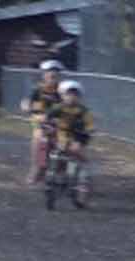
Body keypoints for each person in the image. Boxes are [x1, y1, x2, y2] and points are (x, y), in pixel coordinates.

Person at [45, 80, 98, 208]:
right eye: (68, 94)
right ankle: (54, 177)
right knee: (55, 151)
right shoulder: (58, 108)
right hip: (62, 135)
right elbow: (47, 118)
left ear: (79, 96)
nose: (71, 97)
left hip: (78, 136)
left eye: (75, 94)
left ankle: (83, 184)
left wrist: (90, 129)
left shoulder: (83, 111)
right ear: (62, 95)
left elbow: (90, 124)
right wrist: (46, 125)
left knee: (79, 156)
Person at [19, 60, 65, 184]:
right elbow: (27, 102)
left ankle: (62, 170)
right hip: (41, 122)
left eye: (55, 73)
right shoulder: (38, 90)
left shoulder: (62, 91)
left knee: (63, 141)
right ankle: (37, 168)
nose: (52, 76)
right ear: (44, 75)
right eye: (49, 73)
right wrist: (26, 106)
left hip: (59, 123)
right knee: (39, 137)